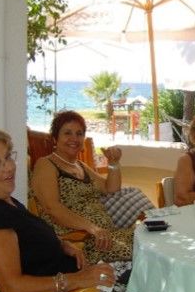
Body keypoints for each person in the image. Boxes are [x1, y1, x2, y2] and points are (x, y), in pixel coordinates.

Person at [0, 126, 152, 292]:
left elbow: (28, 243)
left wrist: (62, 244)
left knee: (146, 270)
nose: (8, 167)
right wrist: (77, 280)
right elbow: (13, 288)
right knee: (149, 283)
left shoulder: (3, 202)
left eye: (8, 157)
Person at [30, 111, 133, 261]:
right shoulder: (46, 164)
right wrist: (92, 228)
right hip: (80, 242)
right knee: (141, 252)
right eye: (67, 133)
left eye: (79, 134)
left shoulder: (80, 165)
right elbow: (52, 208)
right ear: (55, 138)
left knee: (148, 239)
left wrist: (113, 163)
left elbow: (110, 188)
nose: (74, 138)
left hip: (105, 236)